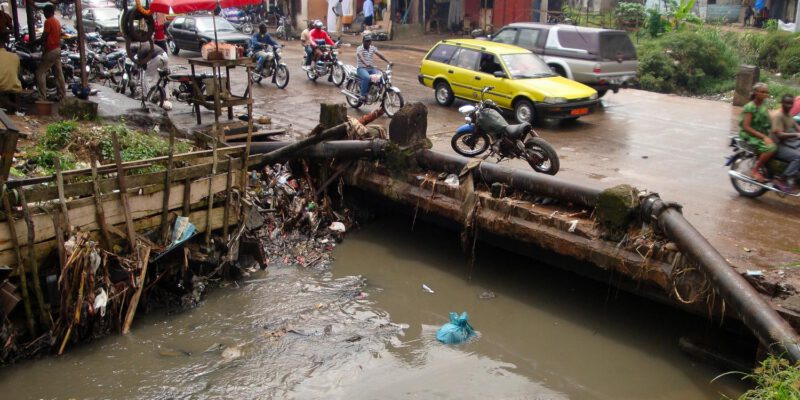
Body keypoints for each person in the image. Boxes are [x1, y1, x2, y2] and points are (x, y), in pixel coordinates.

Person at [739, 82, 776, 182]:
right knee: (771, 148)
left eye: (766, 92)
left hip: (761, 133)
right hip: (750, 135)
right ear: (756, 92)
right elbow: (746, 127)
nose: (765, 94)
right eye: (762, 92)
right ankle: (754, 170)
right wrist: (764, 137)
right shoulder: (750, 107)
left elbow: (771, 117)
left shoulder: (763, 105)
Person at [769, 94, 800, 191]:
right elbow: (779, 135)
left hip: (786, 142)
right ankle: (783, 179)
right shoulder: (779, 116)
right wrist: (796, 135)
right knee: (798, 157)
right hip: (777, 144)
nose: (789, 105)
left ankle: (794, 175)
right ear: (782, 103)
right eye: (787, 103)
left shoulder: (789, 115)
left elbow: (796, 127)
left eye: (791, 103)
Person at [34, 5, 66, 100]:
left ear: (48, 12)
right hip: (57, 49)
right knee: (58, 73)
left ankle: (42, 96)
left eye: (44, 12)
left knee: (40, 72)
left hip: (51, 50)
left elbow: (44, 36)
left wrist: (33, 43)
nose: (44, 14)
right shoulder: (56, 21)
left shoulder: (48, 21)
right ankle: (62, 95)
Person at [355, 34, 389, 102]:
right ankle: (363, 95)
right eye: (367, 41)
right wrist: (365, 63)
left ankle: (376, 92)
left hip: (371, 68)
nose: (368, 43)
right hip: (361, 68)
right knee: (367, 77)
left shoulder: (372, 48)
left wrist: (388, 61)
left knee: (380, 77)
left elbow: (380, 55)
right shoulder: (359, 48)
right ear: (363, 41)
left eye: (369, 41)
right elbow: (360, 56)